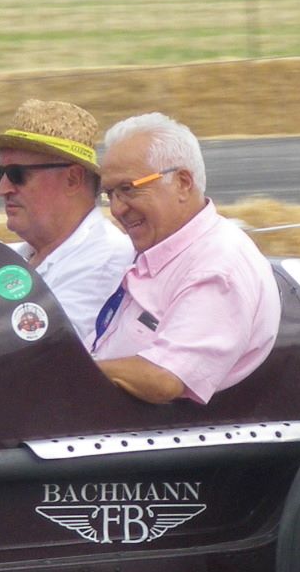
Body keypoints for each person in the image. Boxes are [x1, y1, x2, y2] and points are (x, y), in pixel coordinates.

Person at [91, 112, 281, 405]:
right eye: (109, 194)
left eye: (127, 189)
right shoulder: (164, 251)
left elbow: (165, 377)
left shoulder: (217, 266)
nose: (116, 208)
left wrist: (69, 373)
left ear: (182, 182)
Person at [0, 97, 131, 336]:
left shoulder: (105, 261)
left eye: (16, 174)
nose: (2, 189)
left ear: (72, 179)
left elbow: (42, 352)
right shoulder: (24, 253)